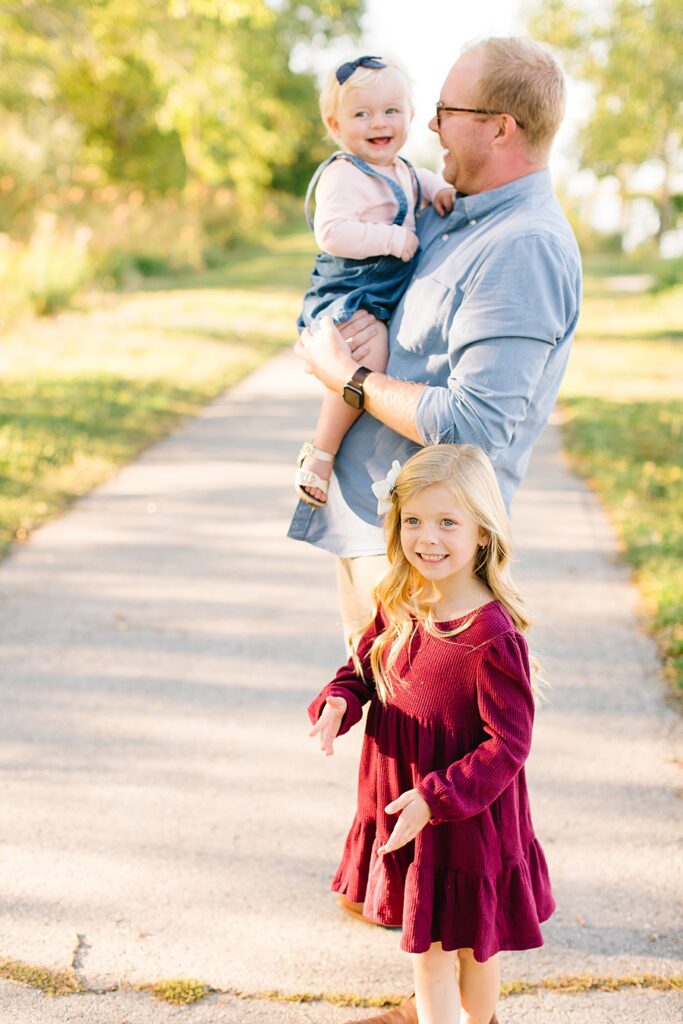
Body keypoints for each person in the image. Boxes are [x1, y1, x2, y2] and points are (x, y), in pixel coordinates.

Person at [289, 36, 582, 650]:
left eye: (447, 111)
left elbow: (475, 426)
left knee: (422, 741)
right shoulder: (450, 214)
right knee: (382, 740)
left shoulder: (523, 246)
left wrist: (352, 380)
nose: (429, 124)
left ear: (499, 129)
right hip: (376, 535)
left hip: (428, 561)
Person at [309, 444, 554, 1024]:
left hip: (461, 816)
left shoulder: (490, 635)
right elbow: (363, 668)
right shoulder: (402, 598)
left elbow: (508, 745)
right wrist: (340, 701)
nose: (428, 538)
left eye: (448, 522)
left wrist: (435, 797)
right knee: (450, 941)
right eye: (414, 520)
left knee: (457, 943)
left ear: (483, 531)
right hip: (405, 801)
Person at [296, 55, 454, 508]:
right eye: (361, 114)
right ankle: (321, 454)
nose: (378, 122)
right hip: (350, 288)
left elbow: (421, 184)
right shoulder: (342, 174)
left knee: (372, 354)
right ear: (336, 124)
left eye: (391, 111)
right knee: (367, 357)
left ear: (409, 115)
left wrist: (440, 192)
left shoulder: (402, 169)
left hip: (377, 289)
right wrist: (390, 238)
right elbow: (331, 232)